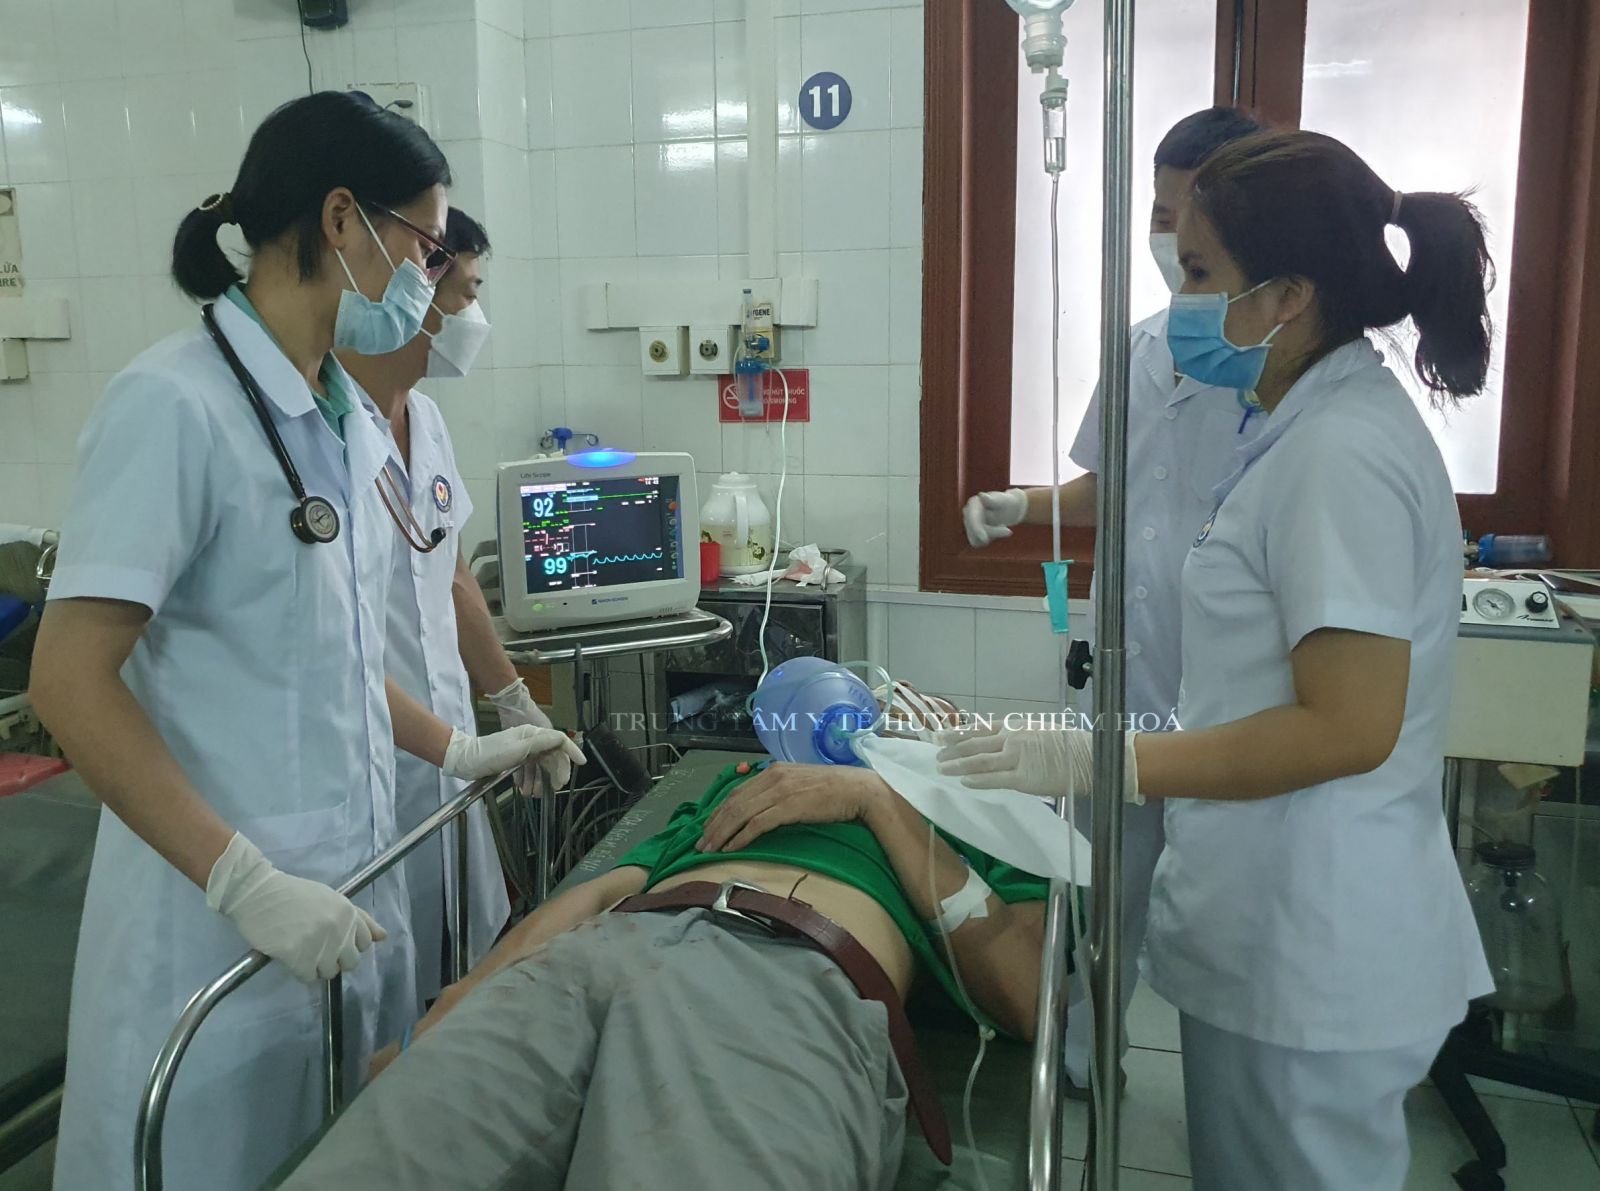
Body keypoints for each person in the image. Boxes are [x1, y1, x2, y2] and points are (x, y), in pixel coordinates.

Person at [29, 92, 581, 1191]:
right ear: (342, 221)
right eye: (426, 246)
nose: (430, 279)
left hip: (344, 898)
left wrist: (456, 747)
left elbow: (331, 656)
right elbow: (68, 681)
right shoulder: (172, 404)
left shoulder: (346, 417)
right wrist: (239, 878)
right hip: (214, 923)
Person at [939, 128, 1496, 1191]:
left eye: (1199, 270)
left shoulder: (1339, 453)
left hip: (1313, 935)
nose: (1180, 297)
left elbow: (1349, 725)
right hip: (1275, 920)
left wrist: (1103, 759)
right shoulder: (1294, 425)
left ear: (1287, 295)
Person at [276, 759, 1056, 1191]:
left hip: (783, 982)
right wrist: (438, 1024)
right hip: (599, 952)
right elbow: (594, 897)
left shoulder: (975, 813)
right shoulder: (745, 784)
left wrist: (877, 798)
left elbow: (1024, 994)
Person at [960, 105, 1263, 1093]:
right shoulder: (1141, 345)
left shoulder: (1286, 361)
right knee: (1103, 885)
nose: (1170, 234)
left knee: (1223, 903)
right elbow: (1112, 486)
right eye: (1160, 212)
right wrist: (1022, 504)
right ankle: (1090, 1057)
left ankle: (1232, 1076)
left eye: (1190, 214)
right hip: (1131, 669)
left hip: (1239, 690)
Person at [339, 208, 567, 1008]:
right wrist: (459, 746)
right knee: (385, 987)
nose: (475, 314)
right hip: (371, 754)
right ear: (415, 284)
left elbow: (454, 572)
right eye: (466, 290)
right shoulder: (328, 430)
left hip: (448, 753)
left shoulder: (426, 420)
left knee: (462, 967)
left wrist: (511, 698)